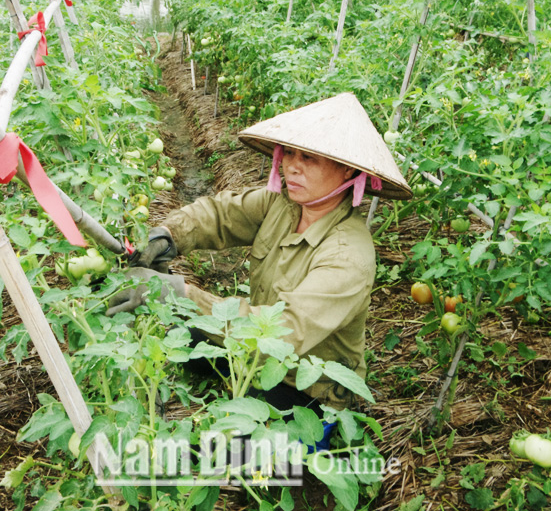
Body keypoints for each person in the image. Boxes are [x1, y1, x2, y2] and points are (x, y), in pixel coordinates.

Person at [106, 92, 412, 417]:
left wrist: (183, 293)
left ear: (349, 172)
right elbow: (221, 214)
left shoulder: (348, 256)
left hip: (306, 388)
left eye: (309, 158)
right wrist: (168, 236)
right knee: (173, 330)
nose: (292, 166)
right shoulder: (282, 205)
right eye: (290, 153)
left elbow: (283, 333)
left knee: (243, 454)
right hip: (253, 353)